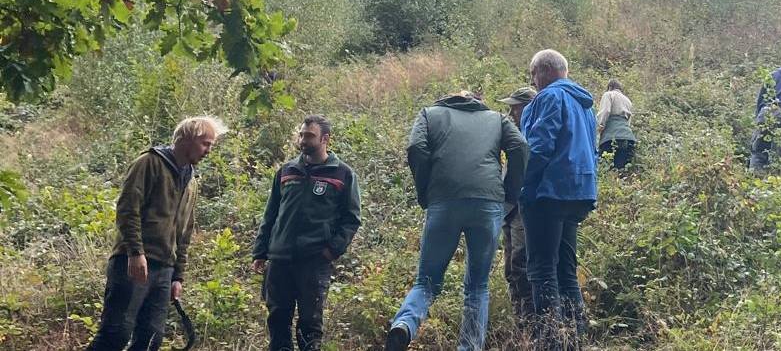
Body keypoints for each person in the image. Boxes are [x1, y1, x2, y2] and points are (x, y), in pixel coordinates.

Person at [386, 92, 529, 351]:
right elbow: (520, 147)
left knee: (426, 281)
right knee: (477, 286)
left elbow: (415, 148)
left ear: (448, 100)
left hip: (444, 202)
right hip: (487, 204)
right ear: (476, 101)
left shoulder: (429, 114)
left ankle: (405, 324)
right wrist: (509, 194)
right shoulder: (497, 118)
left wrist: (427, 191)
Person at [88, 116, 227, 351]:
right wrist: (135, 252)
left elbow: (184, 232)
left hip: (165, 269)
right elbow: (127, 208)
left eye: (211, 145)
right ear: (187, 139)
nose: (209, 151)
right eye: (206, 143)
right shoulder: (149, 163)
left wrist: (177, 276)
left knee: (151, 339)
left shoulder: (191, 181)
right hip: (133, 263)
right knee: (116, 334)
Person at [252, 115, 361, 351]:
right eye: (301, 135)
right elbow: (270, 213)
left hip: (314, 261)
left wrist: (331, 251)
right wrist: (260, 251)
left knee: (310, 326)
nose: (303, 140)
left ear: (325, 139)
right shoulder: (286, 170)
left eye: (309, 135)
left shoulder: (342, 173)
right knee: (278, 320)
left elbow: (351, 219)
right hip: (279, 259)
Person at [520, 49, 598, 350]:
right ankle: (576, 338)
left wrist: (522, 188)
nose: (532, 82)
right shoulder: (585, 105)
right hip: (579, 192)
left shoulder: (549, 97)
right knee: (565, 268)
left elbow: (538, 148)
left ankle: (550, 342)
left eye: (532, 75)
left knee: (542, 268)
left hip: (549, 192)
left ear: (543, 71)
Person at [498, 86, 538, 330]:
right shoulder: (512, 133)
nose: (511, 112)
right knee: (510, 265)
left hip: (526, 206)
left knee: (521, 262)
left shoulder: (536, 133)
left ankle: (532, 322)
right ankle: (519, 322)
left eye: (516, 107)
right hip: (509, 207)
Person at [596, 80, 637, 170]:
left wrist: (599, 126)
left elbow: (605, 111)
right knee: (621, 169)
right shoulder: (628, 100)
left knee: (606, 167)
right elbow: (628, 120)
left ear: (610, 87)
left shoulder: (608, 94)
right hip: (628, 137)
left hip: (610, 136)